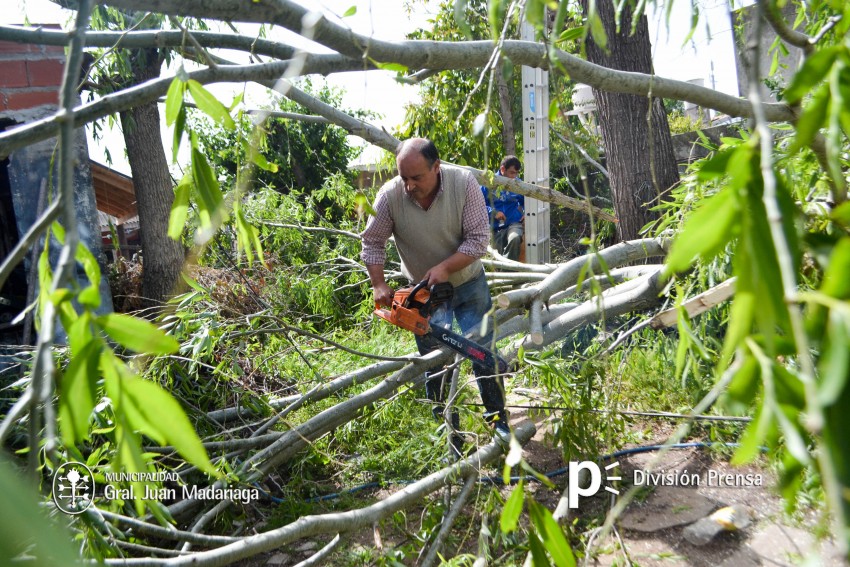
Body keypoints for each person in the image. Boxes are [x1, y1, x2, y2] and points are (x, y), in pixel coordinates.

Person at [361, 138, 510, 453]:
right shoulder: (390, 197)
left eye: (417, 178)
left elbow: (478, 240)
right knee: (436, 363)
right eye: (404, 178)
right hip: (423, 292)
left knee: (483, 353)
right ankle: (449, 433)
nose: (410, 185)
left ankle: (499, 422)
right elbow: (372, 241)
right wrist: (378, 284)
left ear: (436, 167)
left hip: (468, 282)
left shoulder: (462, 183)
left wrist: (444, 267)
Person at [481, 156, 524, 261]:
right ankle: (505, 272)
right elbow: (479, 205)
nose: (514, 177)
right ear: (503, 169)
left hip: (514, 223)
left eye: (516, 173)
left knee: (514, 238)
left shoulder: (518, 183)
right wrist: (493, 212)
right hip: (496, 227)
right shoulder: (488, 182)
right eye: (512, 173)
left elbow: (526, 201)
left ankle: (507, 272)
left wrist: (526, 214)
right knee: (498, 254)